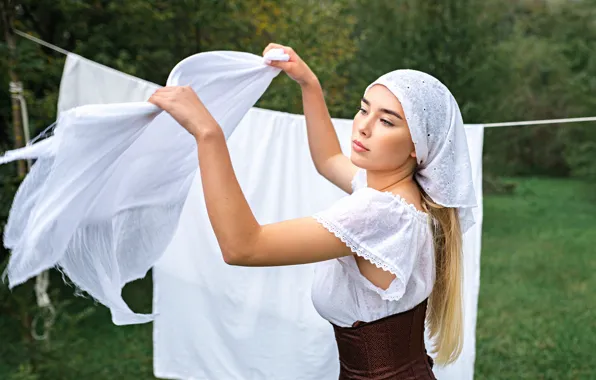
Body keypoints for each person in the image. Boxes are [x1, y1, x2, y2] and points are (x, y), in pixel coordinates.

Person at [148, 42, 476, 380]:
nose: (363, 126)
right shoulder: (402, 194)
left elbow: (243, 246)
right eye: (364, 110)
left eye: (387, 122)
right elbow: (328, 160)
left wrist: (209, 134)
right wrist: (309, 84)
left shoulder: (381, 213)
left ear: (418, 147)